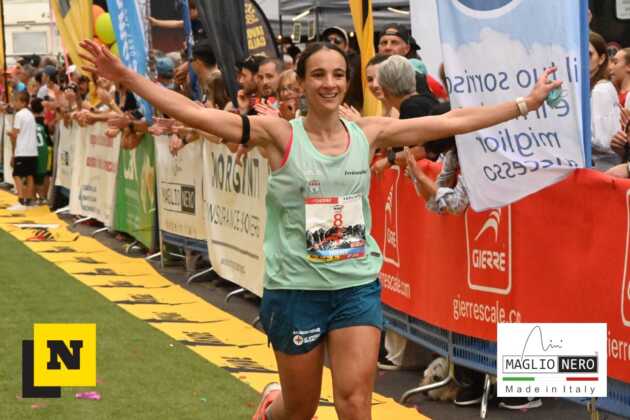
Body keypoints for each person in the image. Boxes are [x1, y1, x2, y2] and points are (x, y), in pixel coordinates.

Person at [80, 39, 561, 420]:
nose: (329, 84)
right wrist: (126, 77)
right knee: (301, 409)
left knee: (354, 404)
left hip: (355, 286)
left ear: (347, 82)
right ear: (303, 83)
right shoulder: (278, 135)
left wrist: (526, 103)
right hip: (296, 290)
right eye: (318, 75)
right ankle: (272, 408)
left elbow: (453, 119)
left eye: (337, 75)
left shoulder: (368, 133)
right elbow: (196, 114)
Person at [377, 23, 448, 101]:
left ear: (407, 49)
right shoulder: (371, 73)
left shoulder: (417, 77)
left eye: (394, 43)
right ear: (378, 48)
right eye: (384, 43)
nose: (388, 47)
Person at [590, 31, 622, 170]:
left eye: (589, 54)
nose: (582, 58)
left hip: (603, 167)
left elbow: (603, 141)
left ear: (601, 59)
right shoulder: (595, 88)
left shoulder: (601, 90)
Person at [7, 91, 38, 210]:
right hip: (32, 151)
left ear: (23, 102)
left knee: (16, 175)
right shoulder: (30, 114)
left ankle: (21, 201)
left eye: (16, 101)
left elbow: (15, 133)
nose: (14, 103)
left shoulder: (19, 115)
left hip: (23, 150)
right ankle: (29, 201)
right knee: (30, 175)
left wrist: (9, 133)